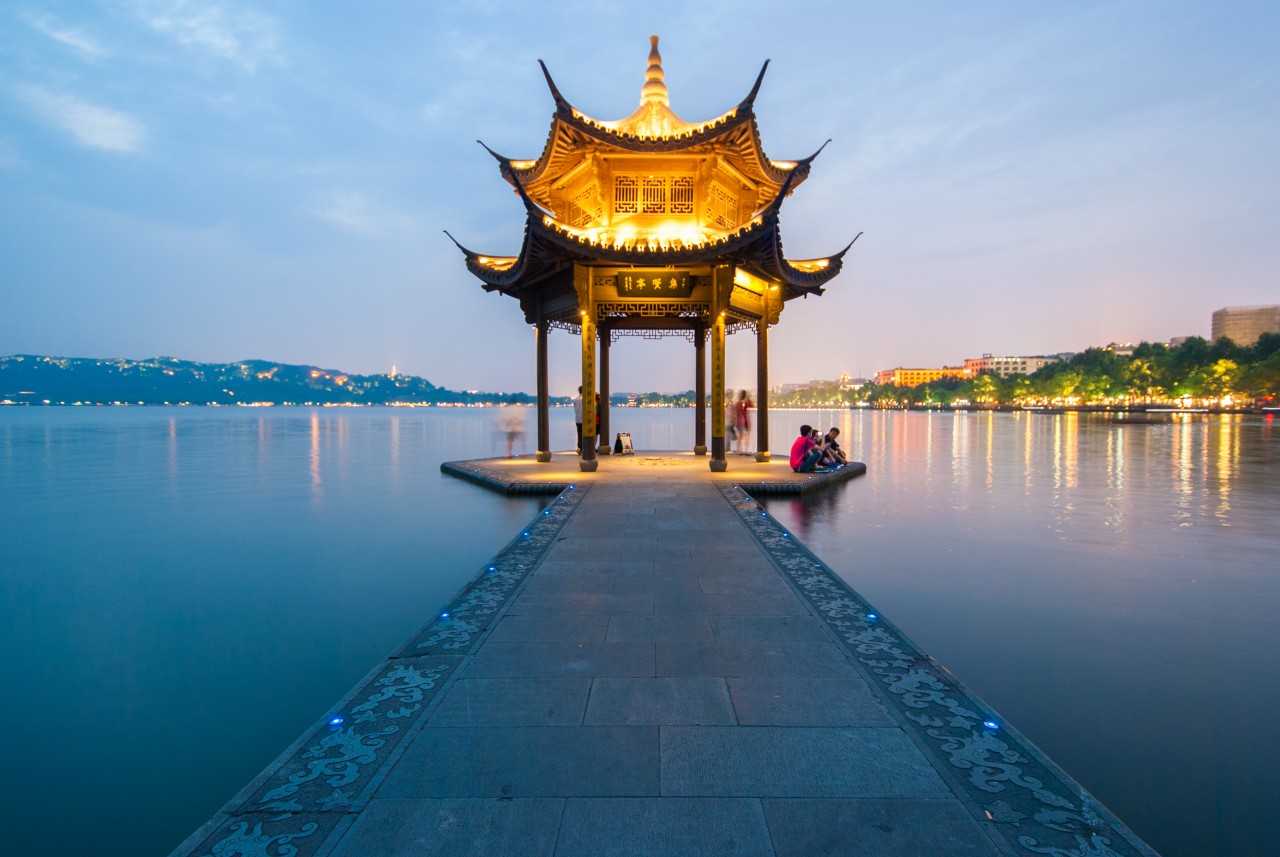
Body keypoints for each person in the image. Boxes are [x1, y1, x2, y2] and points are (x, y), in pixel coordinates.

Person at [733, 389, 754, 455]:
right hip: (744, 421)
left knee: (742, 435)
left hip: (742, 421)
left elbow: (751, 405)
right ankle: (743, 450)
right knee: (744, 435)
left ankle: (740, 449)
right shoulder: (742, 403)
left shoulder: (739, 403)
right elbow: (752, 405)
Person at [572, 386, 583, 453]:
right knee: (586, 435)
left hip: (578, 419)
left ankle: (579, 447)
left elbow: (575, 409)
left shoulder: (575, 399)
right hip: (585, 420)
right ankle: (586, 447)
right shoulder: (586, 399)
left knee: (579, 434)